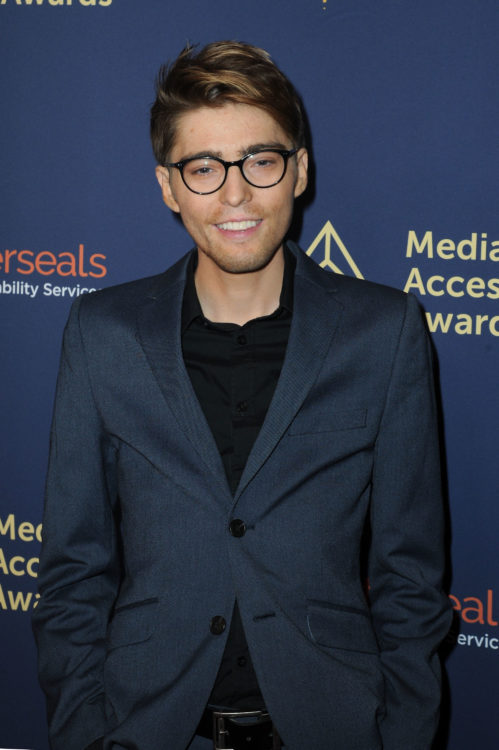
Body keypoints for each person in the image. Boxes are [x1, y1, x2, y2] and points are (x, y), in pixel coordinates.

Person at [33, 41, 452, 750]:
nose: (235, 194)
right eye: (203, 168)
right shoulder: (103, 332)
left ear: (299, 170)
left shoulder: (383, 333)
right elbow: (74, 569)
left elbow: (410, 575)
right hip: (149, 730)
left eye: (260, 160)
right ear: (168, 186)